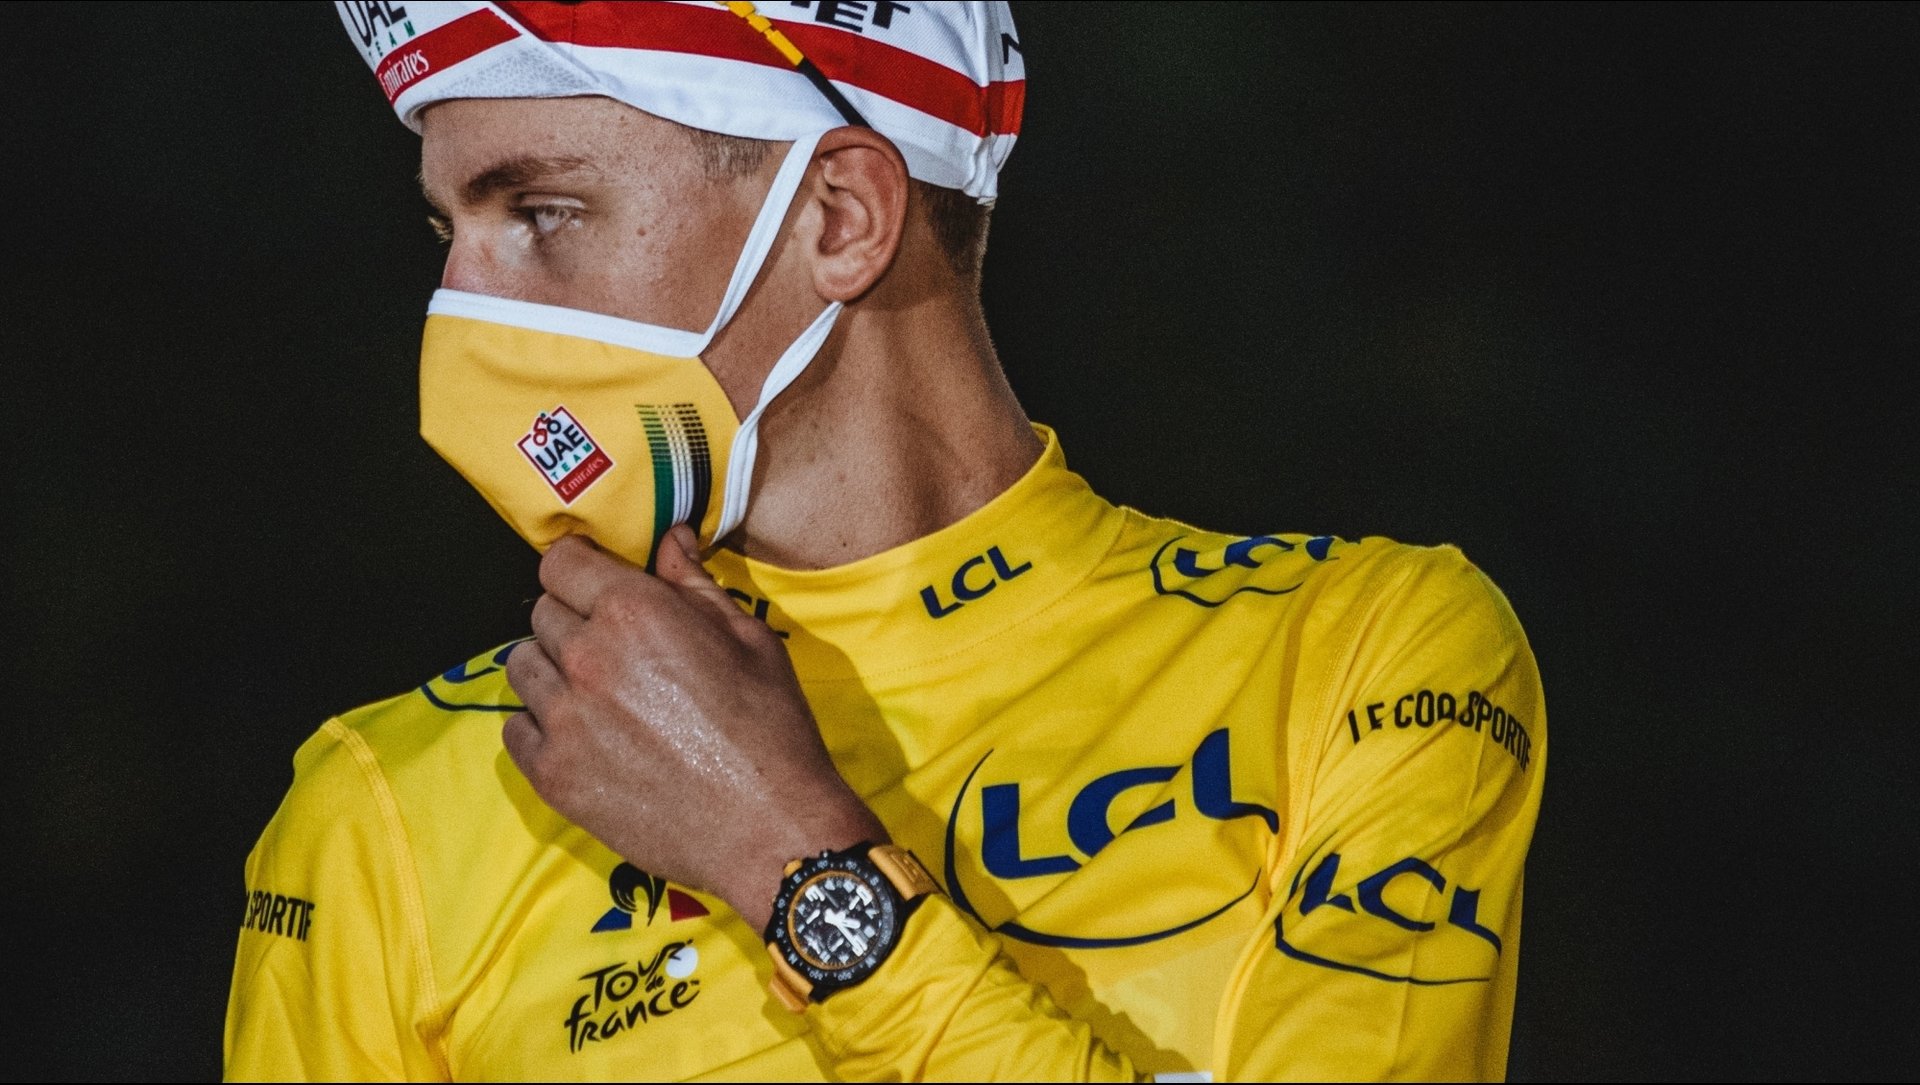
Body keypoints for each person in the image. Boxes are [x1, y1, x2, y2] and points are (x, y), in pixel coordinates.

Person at [226, 2, 1547, 1080]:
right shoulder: (380, 812)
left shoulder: (1360, 651)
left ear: (839, 217)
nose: (458, 304)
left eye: (541, 211)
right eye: (448, 230)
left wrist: (790, 859)